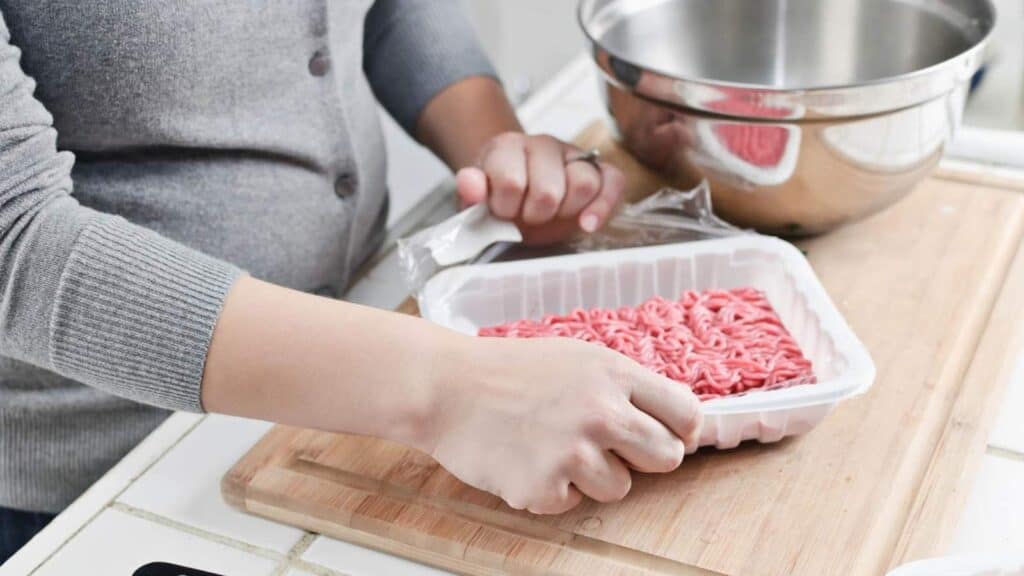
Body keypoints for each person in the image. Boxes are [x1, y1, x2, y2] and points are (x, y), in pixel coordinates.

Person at [0, 0, 703, 562]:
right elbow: (15, 240)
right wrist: (447, 389)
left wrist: (502, 162)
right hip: (106, 466)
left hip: (366, 349)